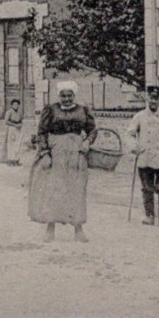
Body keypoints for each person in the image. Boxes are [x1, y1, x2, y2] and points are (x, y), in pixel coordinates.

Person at [28, 80, 96, 242]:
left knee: (77, 189)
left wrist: (87, 142)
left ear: (74, 95)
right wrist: (44, 153)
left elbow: (92, 129)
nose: (66, 99)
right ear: (59, 96)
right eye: (63, 96)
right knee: (54, 189)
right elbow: (41, 132)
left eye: (69, 95)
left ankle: (78, 229)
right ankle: (50, 229)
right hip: (56, 153)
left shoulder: (83, 110)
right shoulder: (50, 110)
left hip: (76, 153)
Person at [125, 85, 159, 227]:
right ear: (147, 98)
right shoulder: (139, 116)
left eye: (156, 98)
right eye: (151, 98)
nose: (153, 101)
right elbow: (129, 134)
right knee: (147, 188)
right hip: (144, 157)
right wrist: (134, 146)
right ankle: (149, 216)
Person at [0, 97, 25, 166]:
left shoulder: (19, 113)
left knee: (17, 145)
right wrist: (14, 124)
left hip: (18, 130)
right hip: (11, 129)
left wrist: (20, 125)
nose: (16, 106)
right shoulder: (9, 112)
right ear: (12, 105)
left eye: (17, 104)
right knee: (11, 145)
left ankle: (16, 160)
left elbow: (21, 121)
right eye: (14, 104)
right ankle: (10, 160)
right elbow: (6, 121)